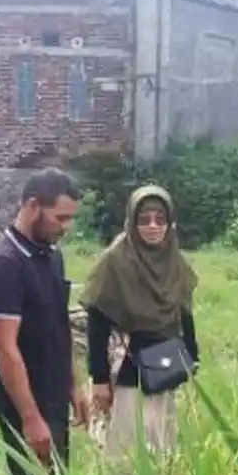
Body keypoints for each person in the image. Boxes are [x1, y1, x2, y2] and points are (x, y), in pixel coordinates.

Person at [0, 167, 89, 475]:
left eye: (70, 219)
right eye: (60, 218)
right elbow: (5, 347)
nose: (66, 227)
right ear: (32, 205)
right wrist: (30, 418)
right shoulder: (5, 265)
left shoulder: (50, 256)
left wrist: (73, 384)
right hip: (24, 403)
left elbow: (59, 324)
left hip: (53, 396)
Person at [80, 184, 199, 459]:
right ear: (132, 222)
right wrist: (99, 379)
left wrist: (192, 356)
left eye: (160, 219)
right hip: (127, 364)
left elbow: (184, 310)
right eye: (144, 220)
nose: (153, 226)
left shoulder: (174, 259)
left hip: (166, 361)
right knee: (125, 447)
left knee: (162, 442)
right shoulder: (115, 260)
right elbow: (97, 321)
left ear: (170, 223)